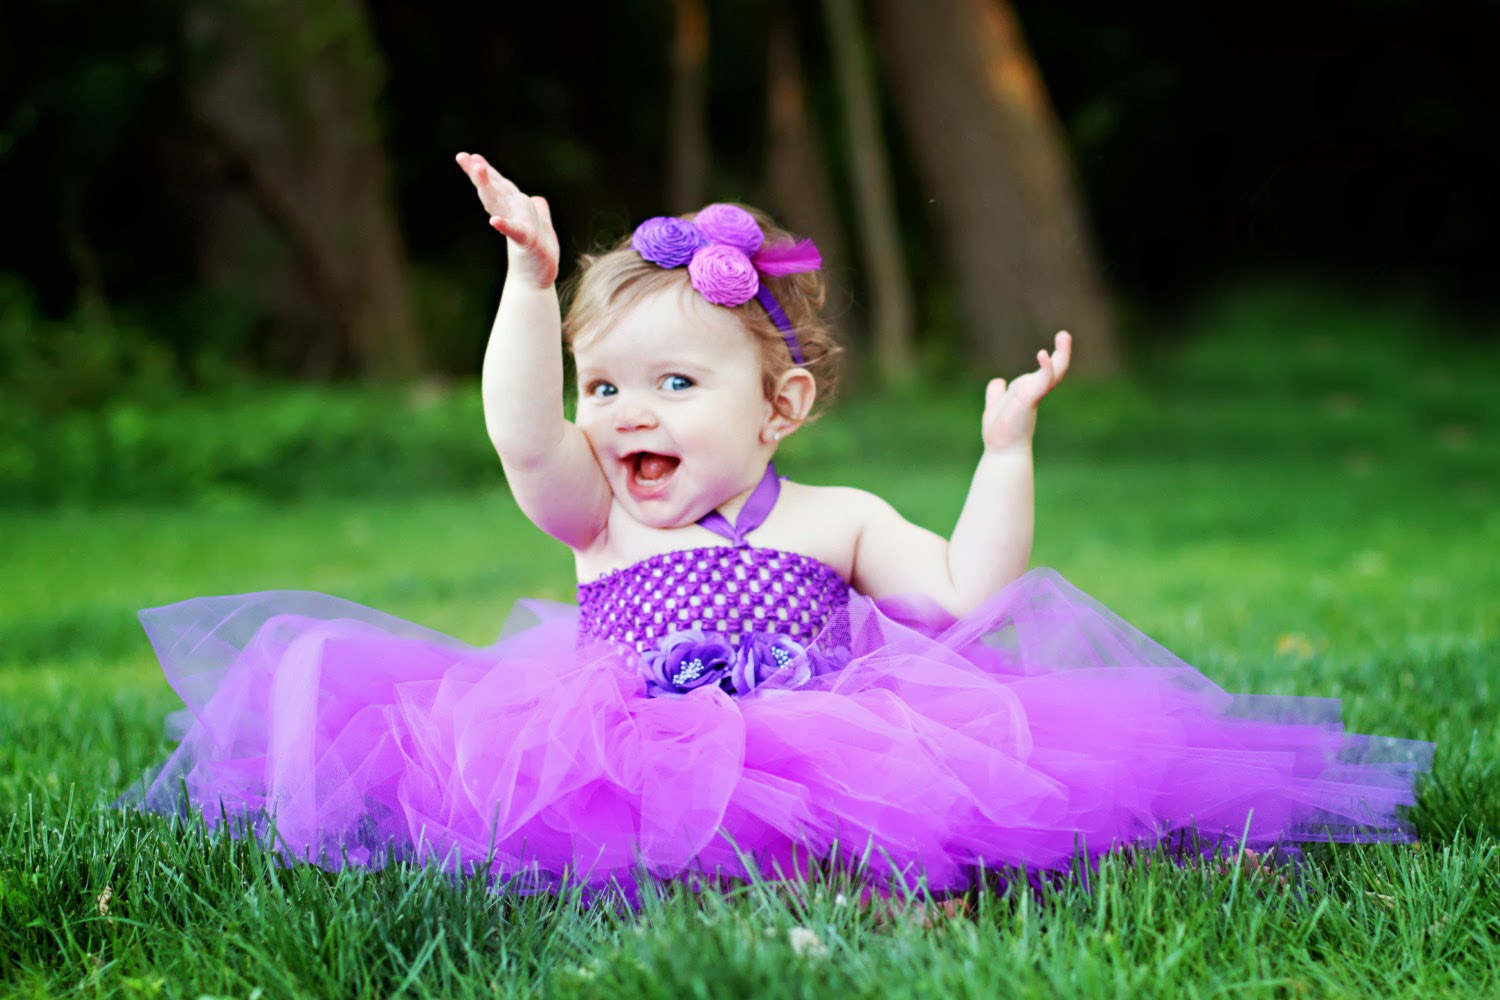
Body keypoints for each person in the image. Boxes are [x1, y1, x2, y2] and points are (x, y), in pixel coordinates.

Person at [125, 154, 1430, 901]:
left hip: (834, 749)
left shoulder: (839, 516)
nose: (629, 414)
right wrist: (529, 285)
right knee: (619, 844)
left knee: (881, 827)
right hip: (628, 756)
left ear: (782, 405)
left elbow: (973, 587)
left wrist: (1004, 453)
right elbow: (523, 433)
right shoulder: (596, 518)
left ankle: (871, 900)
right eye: (609, 386)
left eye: (677, 385)